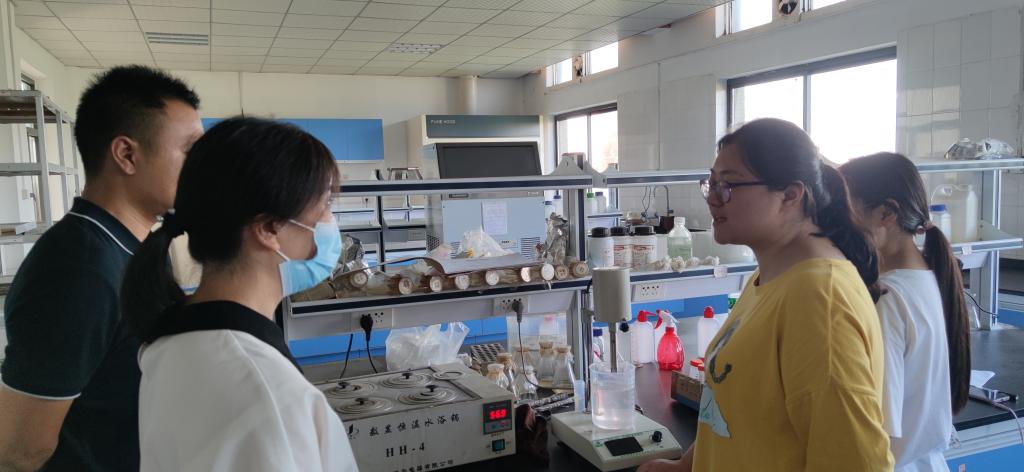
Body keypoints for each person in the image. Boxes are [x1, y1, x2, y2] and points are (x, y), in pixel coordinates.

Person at [639, 118, 893, 472]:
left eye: (728, 185)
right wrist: (685, 467)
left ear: (790, 194)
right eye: (711, 183)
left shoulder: (820, 300)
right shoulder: (771, 277)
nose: (712, 198)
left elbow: (857, 463)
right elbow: (739, 408)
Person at [120, 117, 357, 471]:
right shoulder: (269, 396)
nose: (330, 221)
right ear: (269, 229)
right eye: (324, 205)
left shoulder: (168, 344)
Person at [0, 66, 201, 471]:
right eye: (190, 151)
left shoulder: (137, 248)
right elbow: (20, 450)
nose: (202, 168)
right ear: (126, 154)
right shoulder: (76, 268)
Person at [840, 152, 970, 472]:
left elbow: (879, 428)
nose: (837, 227)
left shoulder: (888, 298)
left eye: (845, 212)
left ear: (887, 213)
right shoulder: (928, 277)